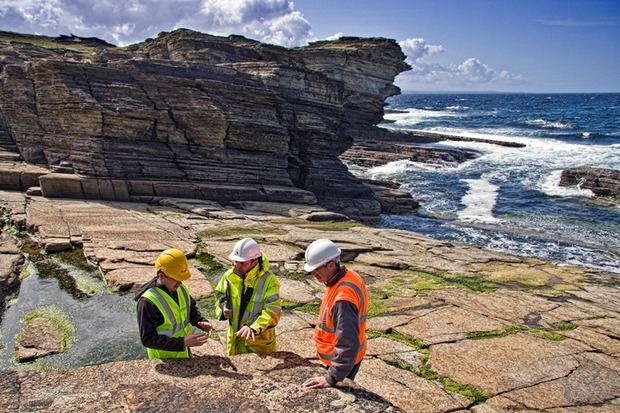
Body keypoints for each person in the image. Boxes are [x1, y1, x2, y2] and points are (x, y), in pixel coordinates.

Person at [302, 239, 369, 389]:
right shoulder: (349, 275)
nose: (313, 273)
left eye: (317, 269)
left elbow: (348, 341)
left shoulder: (343, 299)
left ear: (331, 265)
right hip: (349, 358)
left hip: (340, 361)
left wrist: (332, 378)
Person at [134, 248, 213, 359]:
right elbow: (148, 339)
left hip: (183, 352)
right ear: (161, 276)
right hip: (164, 359)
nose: (179, 283)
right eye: (175, 279)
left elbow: (191, 309)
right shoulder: (147, 302)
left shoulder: (180, 288)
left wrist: (201, 321)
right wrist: (182, 343)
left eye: (181, 279)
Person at [214, 237, 281, 356]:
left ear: (254, 261)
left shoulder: (269, 280)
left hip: (258, 346)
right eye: (236, 261)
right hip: (235, 341)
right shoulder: (229, 275)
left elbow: (273, 311)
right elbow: (220, 297)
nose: (237, 266)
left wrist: (253, 327)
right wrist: (222, 309)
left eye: (243, 263)